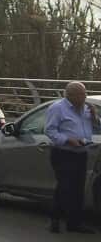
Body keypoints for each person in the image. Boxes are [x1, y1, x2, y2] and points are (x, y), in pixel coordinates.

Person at [45, 82, 97, 234]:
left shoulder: (86, 108)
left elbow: (94, 127)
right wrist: (67, 140)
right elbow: (50, 130)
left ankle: (74, 223)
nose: (85, 97)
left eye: (85, 93)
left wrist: (94, 117)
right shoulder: (57, 108)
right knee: (65, 187)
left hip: (81, 152)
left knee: (78, 189)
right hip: (63, 153)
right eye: (81, 94)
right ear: (71, 96)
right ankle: (54, 219)